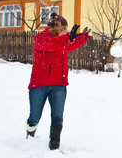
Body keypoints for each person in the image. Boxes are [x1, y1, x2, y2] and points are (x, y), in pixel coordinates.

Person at [26, 13, 90, 150]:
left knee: (57, 117)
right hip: (39, 85)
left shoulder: (62, 41)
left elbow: (70, 45)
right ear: (56, 28)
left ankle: (54, 147)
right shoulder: (41, 38)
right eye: (64, 29)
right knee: (34, 116)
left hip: (58, 85)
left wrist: (83, 37)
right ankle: (29, 140)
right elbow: (51, 45)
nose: (66, 32)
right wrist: (68, 38)